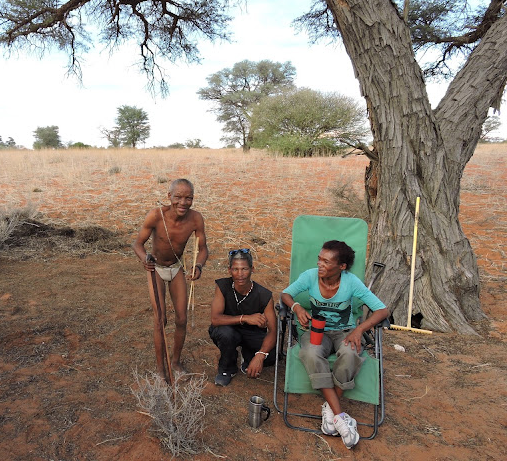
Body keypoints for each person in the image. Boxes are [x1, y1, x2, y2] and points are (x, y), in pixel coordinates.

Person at [280, 240, 389, 449]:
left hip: (345, 332)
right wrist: (296, 307)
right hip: (316, 330)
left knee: (350, 353)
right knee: (311, 353)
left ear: (342, 267)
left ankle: (330, 412)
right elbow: (285, 294)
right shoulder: (310, 276)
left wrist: (359, 329)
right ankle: (340, 416)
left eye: (326, 262)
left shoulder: (351, 282)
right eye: (319, 259)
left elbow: (382, 310)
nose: (320, 264)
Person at [132, 178, 208, 378]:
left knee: (181, 319)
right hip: (156, 269)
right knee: (160, 319)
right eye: (178, 197)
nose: (183, 202)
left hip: (176, 268)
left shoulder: (196, 219)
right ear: (169, 196)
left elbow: (203, 249)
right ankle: (160, 369)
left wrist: (198, 266)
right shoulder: (155, 216)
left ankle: (175, 362)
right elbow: (138, 244)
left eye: (189, 198)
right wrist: (144, 259)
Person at [209, 248, 276, 387]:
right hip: (229, 328)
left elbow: (273, 331)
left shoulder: (264, 295)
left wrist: (260, 355)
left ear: (252, 269)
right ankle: (227, 368)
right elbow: (215, 319)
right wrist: (245, 318)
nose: (240, 274)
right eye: (235, 269)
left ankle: (248, 354)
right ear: (229, 270)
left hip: (252, 332)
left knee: (271, 356)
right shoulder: (222, 286)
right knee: (226, 334)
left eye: (244, 269)